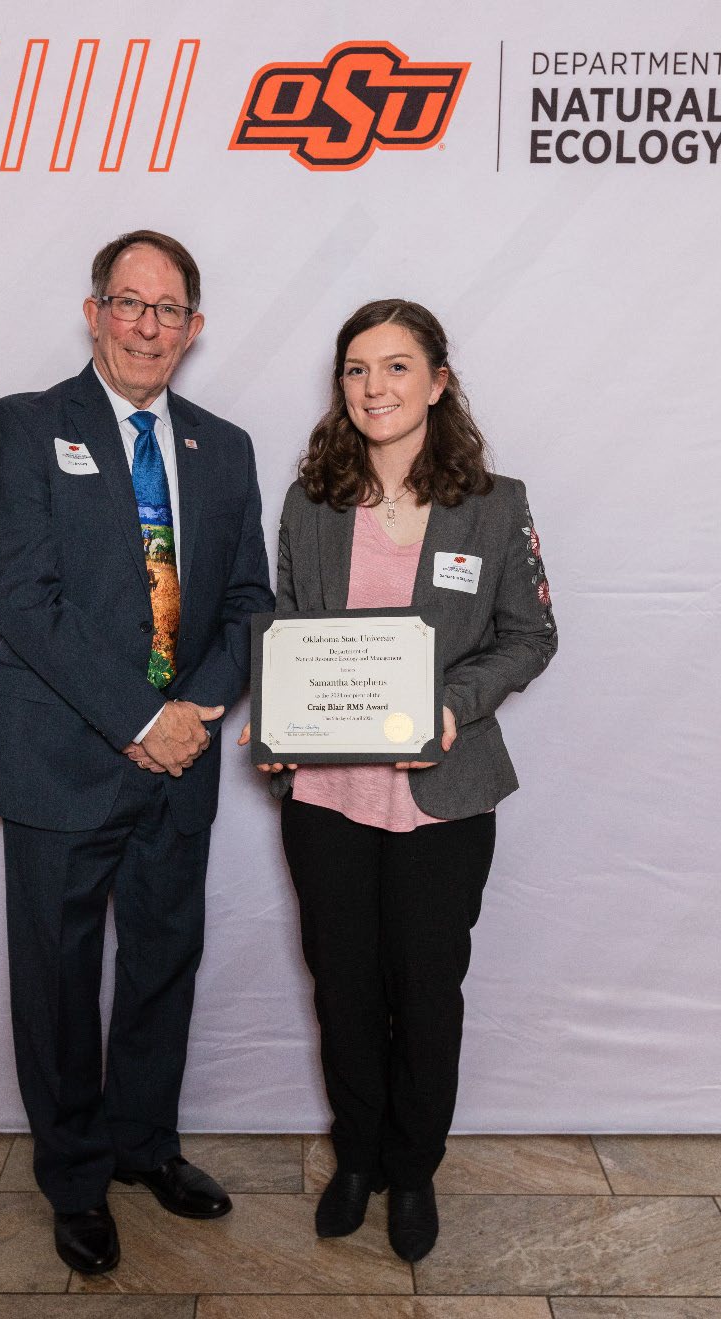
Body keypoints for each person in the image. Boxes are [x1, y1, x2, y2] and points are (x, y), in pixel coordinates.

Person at [0, 230, 273, 1274]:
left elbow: (246, 601)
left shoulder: (221, 447)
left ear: (194, 327)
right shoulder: (25, 425)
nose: (147, 325)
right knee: (56, 980)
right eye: (128, 303)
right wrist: (143, 719)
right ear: (94, 311)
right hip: (60, 758)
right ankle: (77, 1175)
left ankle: (145, 1146)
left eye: (167, 308)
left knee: (160, 962)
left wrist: (199, 710)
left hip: (180, 767)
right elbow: (27, 603)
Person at [240, 298, 557, 1262]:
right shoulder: (310, 500)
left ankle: (414, 1168)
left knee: (426, 986)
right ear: (341, 387)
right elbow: (287, 625)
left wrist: (453, 704)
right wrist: (278, 709)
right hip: (327, 797)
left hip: (444, 795)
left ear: (438, 381)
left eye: (396, 367)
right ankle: (358, 1156)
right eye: (356, 369)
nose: (374, 387)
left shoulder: (496, 503)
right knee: (339, 984)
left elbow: (531, 635)